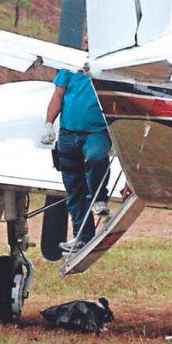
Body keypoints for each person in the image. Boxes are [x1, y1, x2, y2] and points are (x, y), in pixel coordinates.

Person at [41, 68, 112, 253]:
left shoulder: (107, 68)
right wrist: (49, 123)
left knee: (97, 158)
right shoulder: (69, 67)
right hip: (68, 133)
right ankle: (82, 236)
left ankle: (100, 198)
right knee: (74, 188)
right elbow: (58, 95)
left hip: (96, 131)